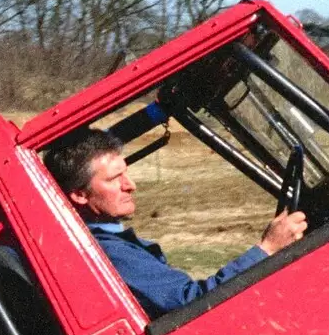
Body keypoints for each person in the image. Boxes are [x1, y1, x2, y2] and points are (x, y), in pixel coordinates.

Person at [44, 129, 307, 319]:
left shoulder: (107, 239)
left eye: (126, 173)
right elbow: (191, 302)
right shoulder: (107, 251)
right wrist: (267, 250)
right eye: (114, 179)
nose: (131, 185)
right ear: (79, 194)